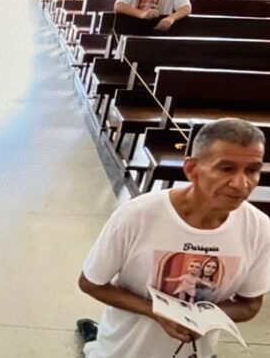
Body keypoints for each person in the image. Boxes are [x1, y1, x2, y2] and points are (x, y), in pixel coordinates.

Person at [76, 118, 270, 358]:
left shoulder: (259, 228)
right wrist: (155, 311)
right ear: (192, 169)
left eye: (252, 170)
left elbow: (249, 304)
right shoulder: (137, 216)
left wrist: (201, 319)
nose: (242, 184)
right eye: (226, 168)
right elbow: (91, 283)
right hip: (125, 349)